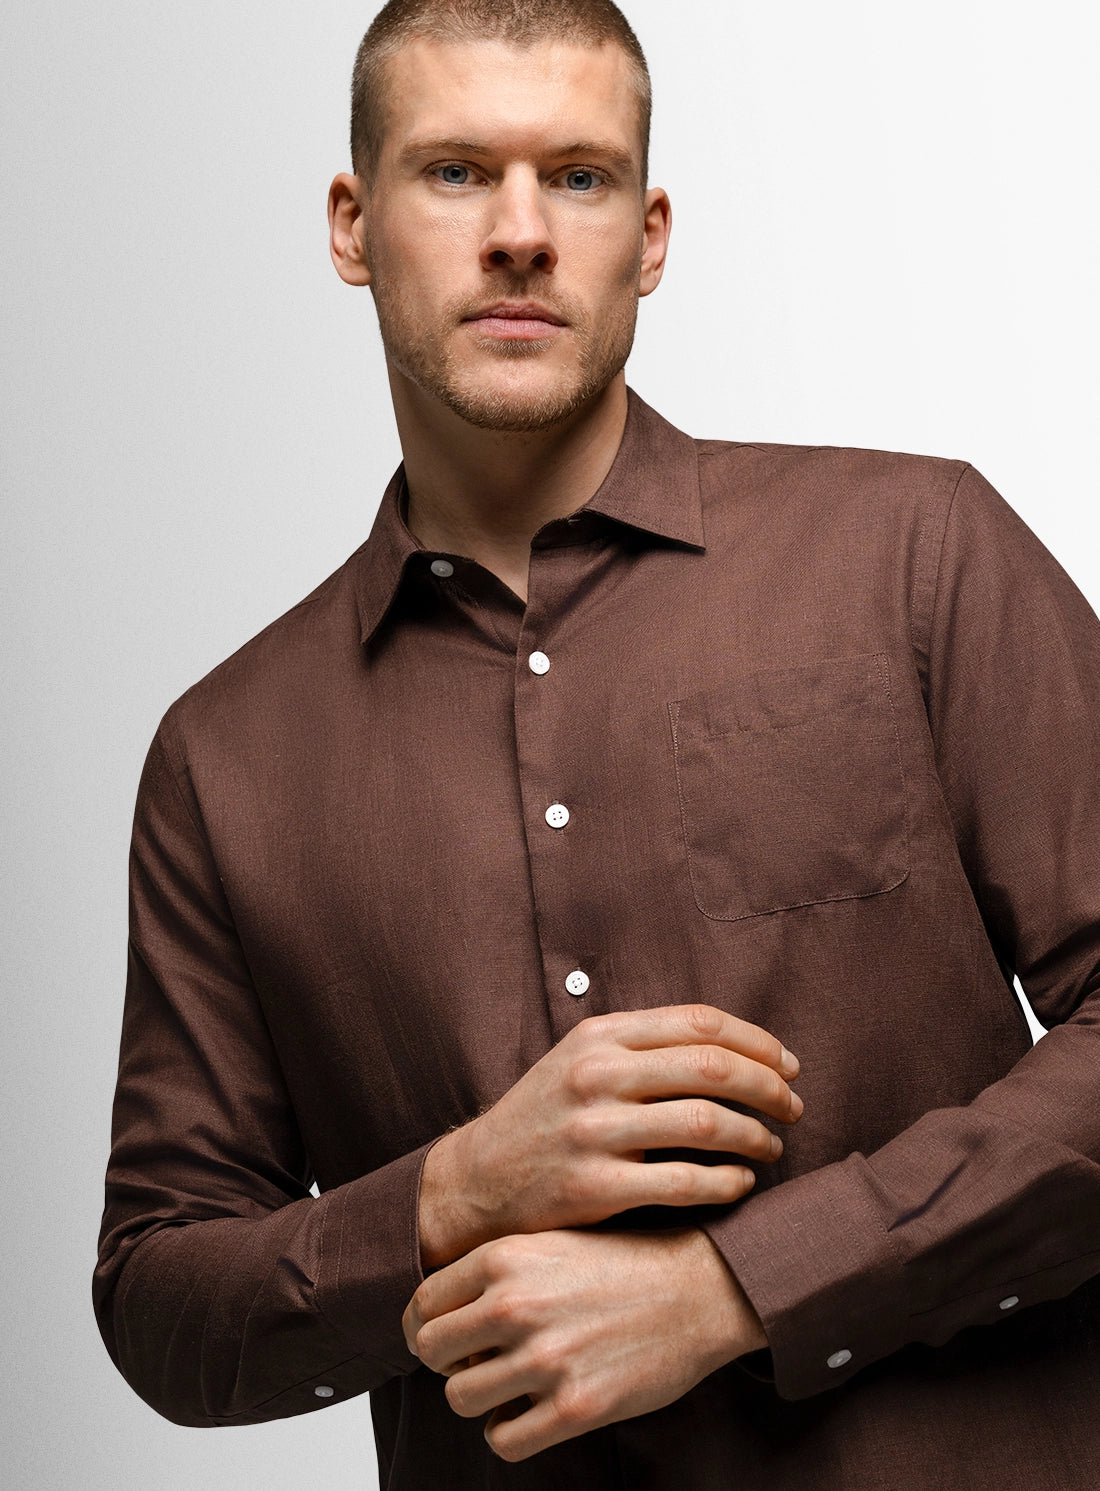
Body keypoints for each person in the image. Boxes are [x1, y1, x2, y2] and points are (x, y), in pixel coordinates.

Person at [94, 1, 1100, 1486]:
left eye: (577, 176)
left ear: (651, 232)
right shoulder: (222, 760)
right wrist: (453, 1192)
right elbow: (160, 1299)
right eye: (453, 173)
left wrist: (736, 1289)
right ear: (352, 225)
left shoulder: (917, 553)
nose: (519, 232)